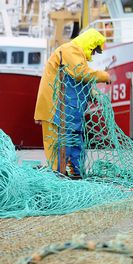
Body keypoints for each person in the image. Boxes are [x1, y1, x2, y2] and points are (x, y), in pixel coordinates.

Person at [34, 28, 111, 177]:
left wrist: (92, 93)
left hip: (70, 110)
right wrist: (104, 75)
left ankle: (74, 172)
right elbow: (79, 72)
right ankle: (57, 175)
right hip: (56, 107)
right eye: (94, 50)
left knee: (74, 140)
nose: (94, 55)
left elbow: (80, 80)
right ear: (90, 44)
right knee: (58, 146)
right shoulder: (70, 50)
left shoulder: (77, 55)